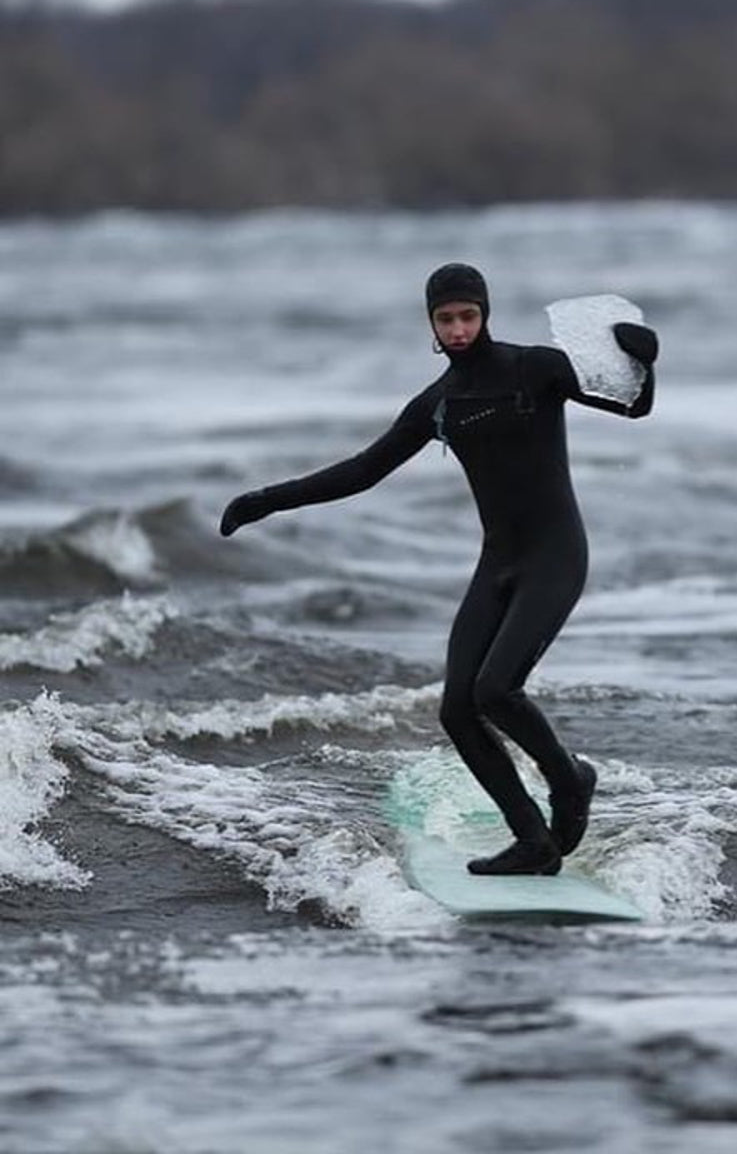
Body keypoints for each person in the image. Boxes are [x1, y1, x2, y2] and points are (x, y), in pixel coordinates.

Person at [219, 263, 658, 876]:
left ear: (485, 314)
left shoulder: (537, 368)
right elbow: (362, 470)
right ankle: (532, 840)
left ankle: (570, 780)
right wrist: (268, 498)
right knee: (458, 708)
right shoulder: (438, 404)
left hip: (556, 556)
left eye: (467, 316)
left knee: (497, 690)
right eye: (445, 319)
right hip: (498, 563)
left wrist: (643, 361)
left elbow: (631, 406)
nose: (457, 329)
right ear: (431, 322)